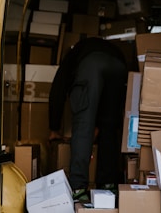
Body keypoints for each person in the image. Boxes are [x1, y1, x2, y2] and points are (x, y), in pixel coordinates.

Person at [48, 37, 128, 200]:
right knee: (110, 128)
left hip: (92, 65)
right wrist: (100, 123)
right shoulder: (107, 48)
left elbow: (57, 90)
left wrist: (54, 127)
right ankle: (108, 186)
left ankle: (78, 188)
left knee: (83, 126)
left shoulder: (73, 56)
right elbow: (103, 105)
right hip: (119, 67)